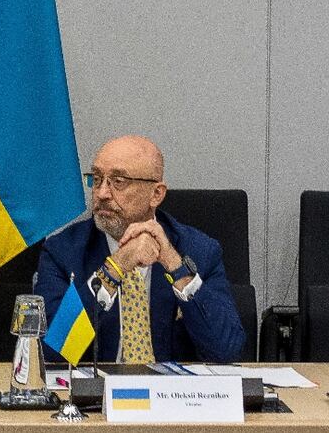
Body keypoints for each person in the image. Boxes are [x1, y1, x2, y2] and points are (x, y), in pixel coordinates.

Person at [34, 135, 244, 363]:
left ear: (156, 194)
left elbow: (227, 351)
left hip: (172, 394)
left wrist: (175, 266)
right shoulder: (63, 251)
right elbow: (50, 354)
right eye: (96, 179)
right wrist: (116, 266)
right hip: (97, 394)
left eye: (118, 181)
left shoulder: (199, 250)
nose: (102, 193)